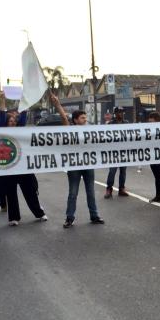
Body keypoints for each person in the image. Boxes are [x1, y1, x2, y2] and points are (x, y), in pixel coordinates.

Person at [51, 95, 104, 228]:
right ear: (75, 120)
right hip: (74, 165)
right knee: (73, 193)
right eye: (82, 118)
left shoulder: (89, 130)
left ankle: (94, 215)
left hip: (88, 164)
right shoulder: (70, 130)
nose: (85, 120)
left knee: (91, 192)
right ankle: (69, 218)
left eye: (86, 118)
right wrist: (57, 104)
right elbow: (64, 118)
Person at [0, 93, 47, 225]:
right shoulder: (1, 131)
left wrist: (23, 100)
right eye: (10, 121)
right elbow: (1, 116)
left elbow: (23, 114)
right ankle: (14, 218)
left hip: (23, 167)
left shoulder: (20, 130)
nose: (13, 122)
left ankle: (39, 213)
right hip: (9, 168)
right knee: (11, 194)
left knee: (30, 192)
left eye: (14, 121)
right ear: (5, 123)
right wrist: (2, 100)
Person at [104, 107, 130, 198]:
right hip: (114, 152)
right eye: (118, 112)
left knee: (123, 171)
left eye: (122, 112)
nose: (120, 114)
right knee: (112, 171)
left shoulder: (126, 123)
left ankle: (121, 189)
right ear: (115, 114)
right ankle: (109, 189)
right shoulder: (110, 124)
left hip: (123, 151)